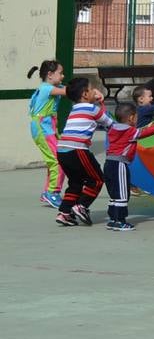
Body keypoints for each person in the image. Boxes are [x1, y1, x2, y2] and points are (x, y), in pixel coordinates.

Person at [54, 78, 112, 227]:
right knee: (97, 179)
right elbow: (110, 124)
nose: (95, 92)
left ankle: (65, 213)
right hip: (77, 149)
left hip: (62, 150)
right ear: (86, 94)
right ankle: (81, 206)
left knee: (75, 182)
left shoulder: (75, 108)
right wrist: (101, 102)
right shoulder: (93, 109)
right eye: (93, 89)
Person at [103, 104, 154, 231]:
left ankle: (113, 219)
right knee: (122, 194)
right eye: (136, 117)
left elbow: (140, 131)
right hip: (119, 164)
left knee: (115, 194)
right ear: (131, 118)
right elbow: (146, 133)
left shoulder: (113, 128)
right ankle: (120, 221)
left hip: (109, 163)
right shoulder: (130, 131)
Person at [27, 60, 67, 208]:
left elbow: (66, 90)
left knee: (54, 161)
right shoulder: (46, 88)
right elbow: (68, 92)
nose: (63, 76)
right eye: (60, 73)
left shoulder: (53, 87)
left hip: (48, 129)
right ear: (50, 75)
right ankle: (53, 192)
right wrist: (85, 89)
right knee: (58, 160)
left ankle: (47, 192)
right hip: (42, 129)